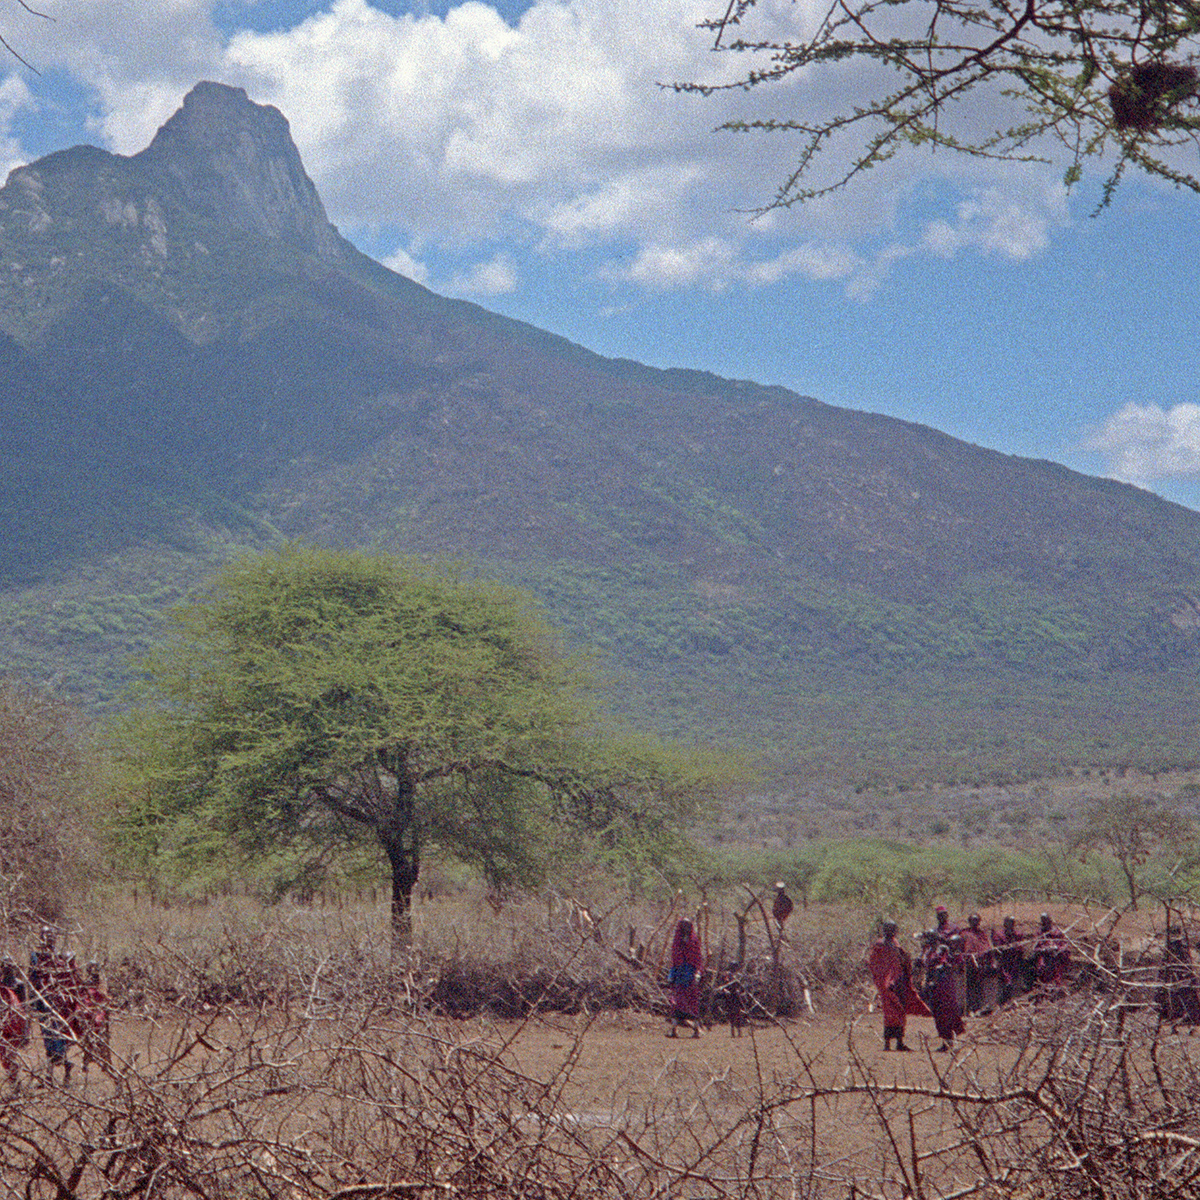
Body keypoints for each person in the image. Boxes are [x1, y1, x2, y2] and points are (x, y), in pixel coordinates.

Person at [866, 920, 930, 1051]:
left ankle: (900, 1042)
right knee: (889, 1012)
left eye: (892, 928)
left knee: (901, 1011)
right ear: (884, 929)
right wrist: (883, 979)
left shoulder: (895, 942)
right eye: (888, 928)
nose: (890, 931)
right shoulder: (880, 945)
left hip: (898, 979)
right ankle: (887, 1044)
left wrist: (906, 962)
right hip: (886, 983)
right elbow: (874, 963)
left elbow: (901, 959)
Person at [29, 927, 82, 1085]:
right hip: (43, 1001)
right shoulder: (35, 957)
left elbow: (68, 982)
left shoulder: (60, 960)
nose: (49, 940)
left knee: (57, 1036)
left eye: (51, 937)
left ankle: (60, 1070)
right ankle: (51, 1075)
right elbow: (32, 978)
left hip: (57, 1002)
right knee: (48, 1038)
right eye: (46, 937)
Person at [924, 934, 966, 1051]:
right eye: (952, 943)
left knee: (949, 1013)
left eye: (955, 943)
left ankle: (951, 1041)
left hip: (948, 988)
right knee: (939, 1014)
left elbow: (958, 968)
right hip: (938, 987)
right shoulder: (942, 952)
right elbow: (931, 964)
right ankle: (946, 1041)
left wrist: (946, 967)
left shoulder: (958, 956)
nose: (953, 946)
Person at [72, 961, 112, 1075]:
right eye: (91, 969)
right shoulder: (84, 984)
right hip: (87, 1011)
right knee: (87, 1037)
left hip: (98, 1010)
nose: (92, 972)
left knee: (100, 1033)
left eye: (95, 969)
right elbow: (81, 998)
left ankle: (106, 1063)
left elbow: (105, 998)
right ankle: (85, 1064)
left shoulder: (101, 983)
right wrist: (81, 1009)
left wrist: (102, 1000)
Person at [667, 918, 704, 1038]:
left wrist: (697, 972)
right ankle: (674, 1030)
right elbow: (675, 958)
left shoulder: (693, 940)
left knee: (692, 1002)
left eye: (688, 926)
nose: (686, 929)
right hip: (679, 975)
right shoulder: (677, 940)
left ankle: (696, 1030)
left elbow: (697, 957)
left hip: (690, 975)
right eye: (684, 926)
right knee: (677, 1003)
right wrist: (673, 973)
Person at [1155, 929, 1200, 1026]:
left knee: (1185, 997)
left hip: (1180, 980)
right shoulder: (1179, 950)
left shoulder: (1176, 950)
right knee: (1185, 997)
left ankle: (1187, 1017)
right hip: (1180, 980)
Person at [0, 956, 28, 1085]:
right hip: (3, 1023)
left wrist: (25, 1030)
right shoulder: (1, 985)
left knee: (10, 1054)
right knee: (4, 1056)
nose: (7, 968)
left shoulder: (19, 984)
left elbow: (24, 1006)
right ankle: (14, 1081)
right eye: (5, 966)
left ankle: (15, 1082)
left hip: (16, 1023)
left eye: (9, 966)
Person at [961, 913, 995, 1015]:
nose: (975, 923)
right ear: (969, 922)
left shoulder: (982, 934)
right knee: (970, 986)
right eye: (973, 921)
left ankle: (978, 1008)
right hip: (969, 963)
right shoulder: (964, 933)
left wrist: (989, 959)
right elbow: (961, 947)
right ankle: (969, 1009)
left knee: (979, 986)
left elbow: (986, 947)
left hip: (981, 963)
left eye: (977, 921)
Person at [992, 916, 1030, 1005]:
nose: (1010, 925)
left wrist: (1016, 948)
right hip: (1004, 961)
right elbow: (998, 948)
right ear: (1004, 924)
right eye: (1008, 923)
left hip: (1015, 961)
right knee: (1005, 982)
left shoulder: (1017, 934)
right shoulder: (999, 934)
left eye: (1012, 923)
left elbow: (1021, 947)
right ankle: (1001, 1003)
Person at [1033, 913, 1070, 998]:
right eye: (1043, 921)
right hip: (1044, 956)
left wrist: (1057, 948)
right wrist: (1045, 949)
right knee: (1042, 968)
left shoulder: (1057, 932)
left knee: (1057, 970)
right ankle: (1044, 990)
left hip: (1056, 956)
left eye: (1046, 920)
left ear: (1050, 920)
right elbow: (1035, 946)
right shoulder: (1039, 933)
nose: (1045, 922)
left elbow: (1064, 944)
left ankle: (1056, 991)